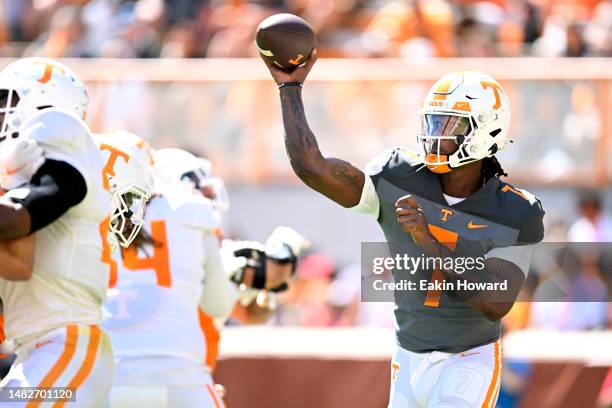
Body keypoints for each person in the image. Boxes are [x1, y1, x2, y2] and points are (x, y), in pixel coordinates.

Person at [262, 52, 545, 407]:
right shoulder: (397, 175)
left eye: (450, 126)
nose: (434, 136)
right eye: (433, 123)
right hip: (408, 356)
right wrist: (290, 87)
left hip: (469, 358)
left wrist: (429, 241)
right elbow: (311, 166)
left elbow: (493, 302)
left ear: (487, 130)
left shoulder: (517, 210)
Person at [102, 147, 306, 408]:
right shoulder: (195, 221)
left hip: (113, 378)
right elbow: (238, 309)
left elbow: (250, 311)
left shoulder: (104, 227)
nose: (209, 201)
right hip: (182, 378)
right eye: (200, 192)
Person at [0, 57, 114, 406]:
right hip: (36, 353)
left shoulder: (57, 128)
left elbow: (27, 213)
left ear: (39, 101)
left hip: (65, 345)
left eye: (8, 100)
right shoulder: (14, 175)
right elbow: (18, 264)